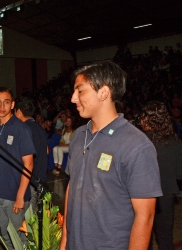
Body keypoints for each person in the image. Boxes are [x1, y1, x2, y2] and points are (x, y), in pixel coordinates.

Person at [60, 61, 163, 250]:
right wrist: (64, 242)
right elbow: (71, 188)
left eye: (80, 91)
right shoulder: (79, 136)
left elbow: (145, 216)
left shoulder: (136, 145)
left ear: (104, 92)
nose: (73, 98)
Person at [0, 87, 35, 249]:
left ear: (13, 104)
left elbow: (28, 163)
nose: (2, 106)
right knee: (6, 238)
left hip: (15, 195)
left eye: (6, 102)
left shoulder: (21, 128)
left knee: (20, 240)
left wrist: (21, 195)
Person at [140, 101, 182, 250]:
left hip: (142, 196)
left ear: (147, 119)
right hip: (165, 196)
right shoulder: (174, 142)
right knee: (165, 236)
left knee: (144, 237)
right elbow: (180, 174)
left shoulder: (140, 141)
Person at [14, 97, 48, 213]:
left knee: (29, 220)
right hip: (41, 179)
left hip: (30, 181)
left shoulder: (24, 129)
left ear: (18, 112)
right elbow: (46, 150)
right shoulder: (39, 127)